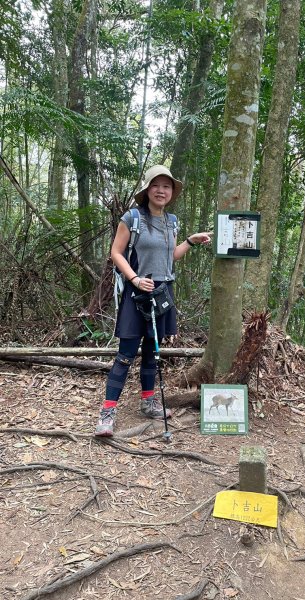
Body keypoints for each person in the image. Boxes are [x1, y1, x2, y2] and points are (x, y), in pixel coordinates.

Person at [95, 165, 211, 436]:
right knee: (125, 355)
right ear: (147, 190)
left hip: (163, 293)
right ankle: (107, 413)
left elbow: (170, 256)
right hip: (138, 291)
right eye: (156, 185)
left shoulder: (171, 221)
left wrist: (190, 242)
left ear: (172, 192)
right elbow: (116, 252)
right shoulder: (132, 218)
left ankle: (148, 402)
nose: (161, 190)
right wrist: (135, 279)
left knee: (152, 352)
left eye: (167, 186)